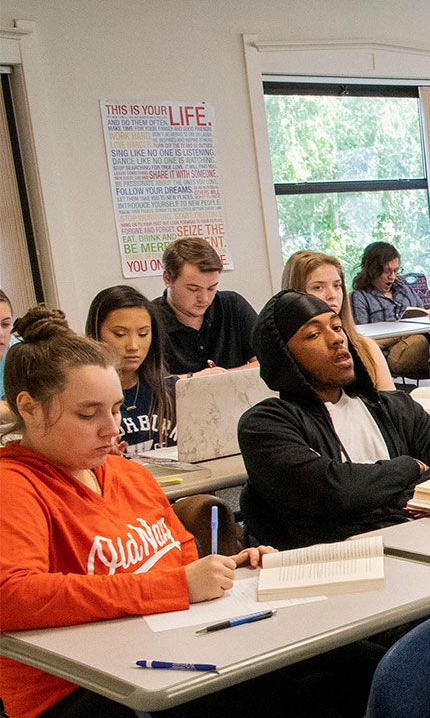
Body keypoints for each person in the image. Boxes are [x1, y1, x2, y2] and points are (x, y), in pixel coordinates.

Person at [0, 307, 274, 718]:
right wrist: (176, 588)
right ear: (29, 407)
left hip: (172, 653)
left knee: (327, 674)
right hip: (77, 687)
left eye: (115, 409)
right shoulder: (14, 485)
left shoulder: (129, 474)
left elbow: (179, 561)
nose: (113, 429)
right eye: (88, 414)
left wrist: (228, 570)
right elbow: (13, 596)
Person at [239, 291, 430, 549]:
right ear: (284, 355)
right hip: (338, 566)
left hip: (423, 543)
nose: (336, 338)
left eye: (337, 327)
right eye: (314, 334)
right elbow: (336, 492)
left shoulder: (395, 406)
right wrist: (410, 467)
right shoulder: (265, 424)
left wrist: (378, 502)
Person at [283, 250, 395, 391]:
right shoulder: (286, 359)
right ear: (296, 293)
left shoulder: (366, 348)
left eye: (337, 285)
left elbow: (391, 407)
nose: (332, 295)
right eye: (318, 287)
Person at [84, 287, 175, 455]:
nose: (133, 346)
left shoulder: (172, 391)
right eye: (119, 334)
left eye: (143, 334)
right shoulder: (82, 398)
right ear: (96, 334)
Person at [151, 237, 256, 376]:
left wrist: (221, 377)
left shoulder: (232, 305)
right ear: (167, 279)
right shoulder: (149, 319)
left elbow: (267, 362)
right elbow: (148, 384)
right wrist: (195, 380)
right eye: (193, 289)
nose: (204, 299)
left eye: (211, 288)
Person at [349, 241, 425, 325]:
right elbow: (360, 336)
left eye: (395, 270)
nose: (392, 277)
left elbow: (424, 314)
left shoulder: (404, 288)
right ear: (372, 270)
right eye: (387, 271)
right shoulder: (359, 297)